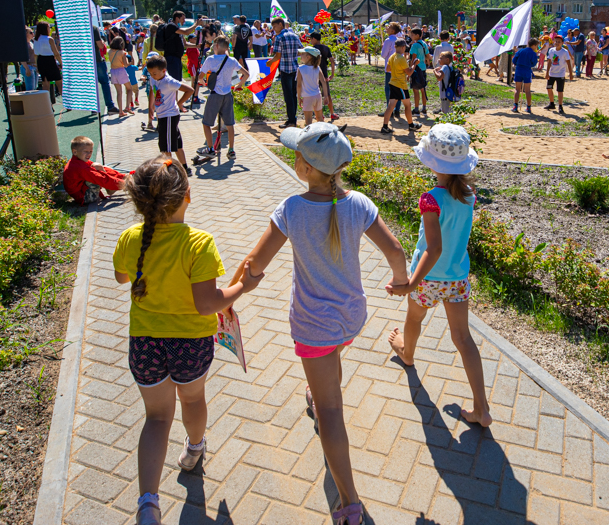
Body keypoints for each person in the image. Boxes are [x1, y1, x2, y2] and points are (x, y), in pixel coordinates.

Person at [243, 124, 409, 525]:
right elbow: (396, 250)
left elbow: (255, 265)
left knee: (331, 413)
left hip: (313, 323)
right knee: (331, 361)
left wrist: (230, 295)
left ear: (303, 167)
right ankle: (318, 394)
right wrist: (401, 282)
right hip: (351, 317)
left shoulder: (292, 210)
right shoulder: (359, 204)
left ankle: (349, 502)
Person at [113, 155, 263, 525]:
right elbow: (206, 304)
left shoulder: (130, 238)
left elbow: (121, 278)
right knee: (192, 398)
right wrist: (242, 286)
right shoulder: (199, 243)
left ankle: (148, 503)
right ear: (188, 196)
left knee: (156, 417)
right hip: (190, 343)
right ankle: (195, 449)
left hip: (145, 342)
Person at [386, 124, 490, 427]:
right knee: (463, 338)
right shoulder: (469, 195)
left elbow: (433, 248)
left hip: (429, 280)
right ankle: (481, 409)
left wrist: (409, 285)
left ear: (431, 161)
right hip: (457, 277)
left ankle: (407, 354)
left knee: (414, 319)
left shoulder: (430, 198)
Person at [196, 36, 248, 161]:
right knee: (230, 124)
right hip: (227, 94)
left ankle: (210, 148)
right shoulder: (231, 60)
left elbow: (200, 76)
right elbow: (246, 74)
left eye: (214, 45)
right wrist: (238, 85)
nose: (213, 47)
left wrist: (203, 82)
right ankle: (231, 150)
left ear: (218, 46)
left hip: (215, 95)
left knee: (206, 123)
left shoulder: (210, 59)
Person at [144, 55, 195, 176]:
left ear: (164, 71)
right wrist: (150, 107)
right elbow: (152, 89)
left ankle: (169, 172)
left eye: (154, 73)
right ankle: (185, 168)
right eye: (150, 73)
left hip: (169, 116)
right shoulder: (154, 78)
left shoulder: (169, 81)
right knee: (176, 144)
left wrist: (179, 103)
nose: (152, 76)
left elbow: (190, 90)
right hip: (162, 115)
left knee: (165, 148)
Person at [64, 135, 127, 203]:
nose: (89, 154)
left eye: (90, 151)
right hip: (84, 197)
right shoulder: (80, 167)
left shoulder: (77, 161)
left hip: (83, 191)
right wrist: (125, 184)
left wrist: (122, 176)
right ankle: (111, 188)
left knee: (99, 167)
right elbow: (100, 178)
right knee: (95, 175)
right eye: (85, 151)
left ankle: (116, 184)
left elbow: (102, 170)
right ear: (75, 152)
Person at [381, 39, 420, 135]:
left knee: (390, 106)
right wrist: (414, 63)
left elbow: (388, 68)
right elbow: (410, 72)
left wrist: (398, 68)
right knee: (407, 105)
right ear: (403, 47)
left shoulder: (392, 56)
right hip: (400, 85)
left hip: (393, 83)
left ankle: (385, 127)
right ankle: (411, 125)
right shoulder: (401, 58)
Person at [271, 17, 303, 128]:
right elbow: (301, 51)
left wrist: (270, 62)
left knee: (288, 96)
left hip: (285, 69)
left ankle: (291, 120)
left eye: (275, 26)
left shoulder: (279, 38)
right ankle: (293, 119)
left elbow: (277, 56)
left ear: (280, 24)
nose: (274, 29)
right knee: (294, 95)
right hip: (295, 69)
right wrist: (292, 54)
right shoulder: (294, 36)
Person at [297, 46, 332, 127]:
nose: (300, 55)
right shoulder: (317, 67)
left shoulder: (301, 69)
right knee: (320, 118)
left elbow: (299, 85)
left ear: (308, 57)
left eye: (302, 54)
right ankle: (323, 134)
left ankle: (310, 138)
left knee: (308, 122)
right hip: (317, 95)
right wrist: (326, 95)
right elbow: (323, 82)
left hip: (307, 97)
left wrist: (298, 97)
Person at [308, 31, 339, 121]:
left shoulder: (312, 49)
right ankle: (332, 113)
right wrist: (332, 74)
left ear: (314, 39)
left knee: (315, 95)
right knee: (327, 94)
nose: (310, 41)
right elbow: (332, 61)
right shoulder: (326, 48)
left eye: (311, 39)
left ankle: (319, 114)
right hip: (324, 74)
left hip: (315, 74)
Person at [161, 10, 198, 83]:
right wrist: (196, 24)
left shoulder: (177, 28)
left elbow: (185, 44)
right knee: (173, 81)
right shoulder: (171, 26)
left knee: (177, 81)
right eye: (183, 19)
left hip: (177, 58)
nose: (184, 21)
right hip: (171, 58)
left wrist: (197, 46)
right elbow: (186, 32)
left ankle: (175, 94)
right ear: (177, 18)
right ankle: (172, 94)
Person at [30, 21, 63, 100]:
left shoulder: (36, 39)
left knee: (45, 83)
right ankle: (67, 103)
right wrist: (61, 63)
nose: (50, 29)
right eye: (48, 27)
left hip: (41, 61)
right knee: (59, 82)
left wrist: (37, 66)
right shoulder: (49, 39)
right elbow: (56, 53)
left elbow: (35, 54)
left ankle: (48, 104)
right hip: (50, 60)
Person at [108, 36, 135, 116]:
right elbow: (126, 65)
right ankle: (127, 107)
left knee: (119, 92)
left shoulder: (110, 51)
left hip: (113, 71)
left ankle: (120, 111)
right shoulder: (122, 52)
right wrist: (131, 62)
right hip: (121, 71)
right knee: (129, 88)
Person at [545, 34, 572, 113]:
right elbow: (549, 62)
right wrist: (547, 73)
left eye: (559, 42)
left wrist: (571, 73)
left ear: (562, 43)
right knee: (549, 88)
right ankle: (552, 103)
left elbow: (568, 62)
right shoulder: (551, 50)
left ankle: (560, 106)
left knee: (560, 90)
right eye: (556, 41)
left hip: (560, 74)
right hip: (552, 73)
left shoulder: (564, 52)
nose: (557, 43)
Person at [511, 38, 539, 114]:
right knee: (527, 90)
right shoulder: (533, 53)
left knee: (517, 89)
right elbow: (534, 63)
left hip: (519, 70)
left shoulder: (520, 51)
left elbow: (514, 60)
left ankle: (515, 106)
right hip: (527, 71)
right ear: (533, 45)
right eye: (536, 46)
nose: (536, 48)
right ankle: (529, 107)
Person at [432, 48, 458, 114]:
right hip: (450, 92)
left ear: (447, 60)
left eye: (441, 58)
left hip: (444, 94)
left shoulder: (444, 67)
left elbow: (439, 78)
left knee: (445, 112)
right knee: (450, 111)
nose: (439, 60)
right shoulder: (450, 67)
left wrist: (435, 71)